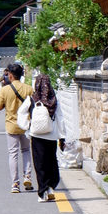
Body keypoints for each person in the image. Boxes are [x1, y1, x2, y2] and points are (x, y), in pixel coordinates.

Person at [24, 74, 67, 203]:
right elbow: (61, 119)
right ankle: (49, 188)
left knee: (40, 164)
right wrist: (62, 137)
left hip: (37, 135)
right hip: (52, 136)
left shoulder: (32, 99)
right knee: (51, 162)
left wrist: (27, 127)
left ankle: (42, 192)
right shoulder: (54, 100)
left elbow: (21, 113)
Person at [0, 62, 33, 193]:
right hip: (26, 126)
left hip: (11, 126)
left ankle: (15, 184)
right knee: (26, 151)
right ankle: (27, 176)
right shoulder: (28, 89)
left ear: (10, 75)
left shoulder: (5, 90)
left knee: (13, 154)